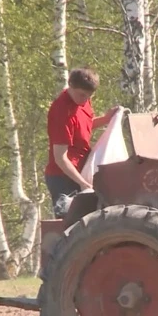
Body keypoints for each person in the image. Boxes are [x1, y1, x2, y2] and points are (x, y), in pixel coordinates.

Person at [44, 67, 117, 218]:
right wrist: (83, 183)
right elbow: (60, 158)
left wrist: (106, 119)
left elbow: (85, 125)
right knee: (70, 226)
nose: (85, 99)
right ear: (70, 85)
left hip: (82, 172)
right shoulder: (61, 112)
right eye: (82, 95)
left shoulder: (84, 100)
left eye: (89, 96)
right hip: (63, 178)